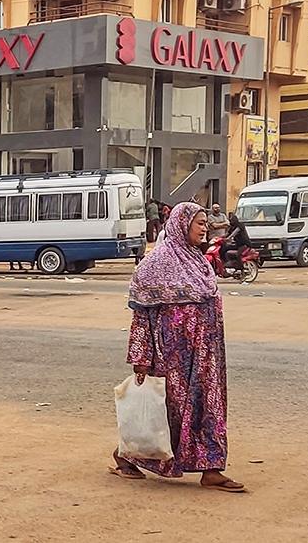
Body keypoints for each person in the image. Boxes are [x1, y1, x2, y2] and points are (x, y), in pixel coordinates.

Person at [110, 202, 244, 493]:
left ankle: (212, 468)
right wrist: (140, 356)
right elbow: (141, 315)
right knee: (166, 412)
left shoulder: (199, 261)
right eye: (199, 222)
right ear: (182, 224)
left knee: (209, 408)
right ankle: (125, 455)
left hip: (206, 355)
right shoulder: (156, 263)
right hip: (170, 357)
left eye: (206, 222)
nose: (204, 227)